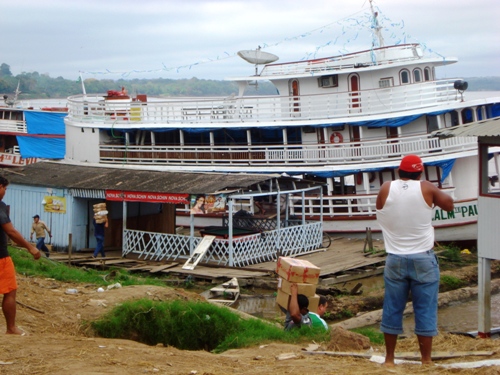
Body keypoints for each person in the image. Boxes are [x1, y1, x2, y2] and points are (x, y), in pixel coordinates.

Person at [376, 154, 454, 367]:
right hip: (423, 258)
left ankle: (390, 360)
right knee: (425, 309)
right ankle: (426, 360)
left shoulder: (385, 188)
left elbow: (381, 210)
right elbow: (449, 204)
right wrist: (432, 200)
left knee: (392, 308)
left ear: (399, 171)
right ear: (420, 172)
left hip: (395, 258)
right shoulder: (426, 188)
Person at [0, 176, 41, 335]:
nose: (5, 193)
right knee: (10, 291)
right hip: (1, 257)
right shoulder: (0, 206)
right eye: (5, 189)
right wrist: (31, 248)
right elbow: (11, 231)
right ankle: (11, 328)